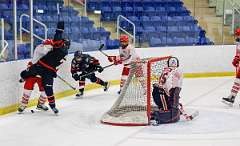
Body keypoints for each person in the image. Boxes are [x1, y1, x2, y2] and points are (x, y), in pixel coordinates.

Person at [20, 21, 70, 114]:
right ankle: (23, 104)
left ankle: (41, 104)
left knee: (44, 89)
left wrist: (52, 70)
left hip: (45, 71)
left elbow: (53, 56)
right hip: (35, 67)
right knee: (28, 86)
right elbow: (45, 51)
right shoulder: (41, 48)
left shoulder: (56, 51)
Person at [150, 56, 183, 125]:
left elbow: (163, 82)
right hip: (162, 93)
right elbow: (170, 85)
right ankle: (159, 115)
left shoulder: (166, 70)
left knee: (169, 105)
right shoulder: (177, 70)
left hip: (158, 92)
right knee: (169, 109)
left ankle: (160, 111)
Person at [222, 28, 240, 106]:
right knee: (238, 80)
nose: (236, 36)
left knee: (238, 80)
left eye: (237, 34)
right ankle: (232, 97)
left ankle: (232, 97)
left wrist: (237, 59)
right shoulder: (238, 42)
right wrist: (236, 59)